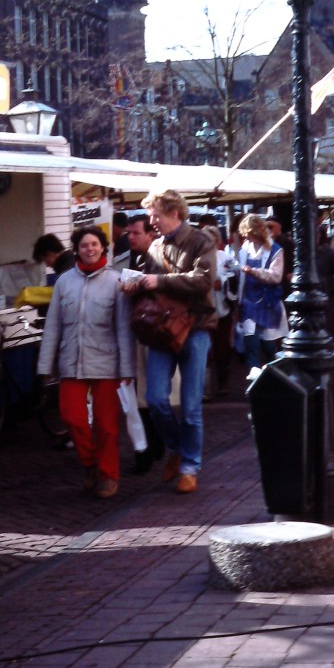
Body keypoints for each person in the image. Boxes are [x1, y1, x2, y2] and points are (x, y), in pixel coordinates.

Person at [37, 225, 135, 499]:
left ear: (103, 247)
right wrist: (45, 366)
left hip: (107, 363)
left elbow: (123, 329)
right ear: (76, 250)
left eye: (94, 244)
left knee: (106, 425)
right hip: (71, 361)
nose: (89, 249)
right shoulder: (64, 282)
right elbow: (53, 326)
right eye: (84, 245)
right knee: (72, 417)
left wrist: (127, 369)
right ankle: (90, 464)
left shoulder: (116, 282)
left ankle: (109, 475)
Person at [134, 189, 216, 494]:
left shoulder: (200, 241)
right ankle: (177, 448)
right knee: (155, 398)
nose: (152, 221)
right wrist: (136, 285)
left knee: (192, 406)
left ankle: (190, 466)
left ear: (174, 213)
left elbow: (204, 280)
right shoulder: (155, 246)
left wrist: (160, 280)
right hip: (163, 329)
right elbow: (152, 286)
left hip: (195, 327)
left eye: (155, 215)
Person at [124, 213, 165, 473]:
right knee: (143, 395)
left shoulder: (160, 260)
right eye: (128, 233)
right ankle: (151, 445)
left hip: (157, 334)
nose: (131, 237)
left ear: (151, 234)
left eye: (136, 233)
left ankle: (160, 443)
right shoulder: (132, 258)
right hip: (139, 334)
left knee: (155, 395)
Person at [237, 213, 288, 372]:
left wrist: (253, 271)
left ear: (255, 231)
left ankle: (277, 376)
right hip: (249, 302)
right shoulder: (245, 249)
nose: (244, 236)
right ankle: (253, 375)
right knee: (250, 342)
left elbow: (276, 276)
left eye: (246, 233)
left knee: (268, 346)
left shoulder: (275, 250)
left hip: (268, 302)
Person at [202, 225, 238, 396]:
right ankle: (205, 388)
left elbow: (235, 276)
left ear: (217, 241)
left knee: (222, 348)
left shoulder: (225, 257)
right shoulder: (196, 257)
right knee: (204, 350)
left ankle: (223, 383)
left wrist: (222, 282)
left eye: (211, 240)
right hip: (202, 311)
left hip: (222, 310)